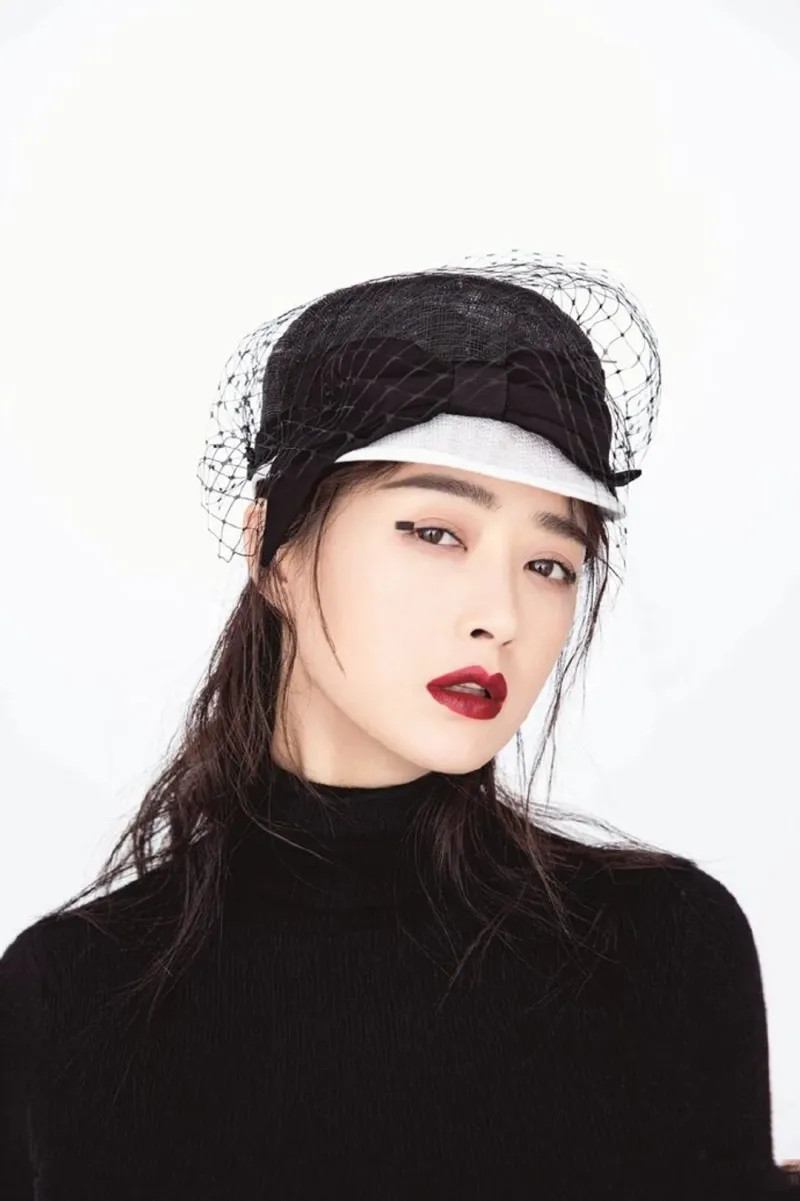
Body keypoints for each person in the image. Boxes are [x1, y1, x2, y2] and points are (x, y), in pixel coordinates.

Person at [1, 251, 797, 1199]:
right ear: (272, 550)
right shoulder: (69, 994)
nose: (501, 615)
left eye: (551, 562)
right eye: (436, 532)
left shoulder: (661, 949)